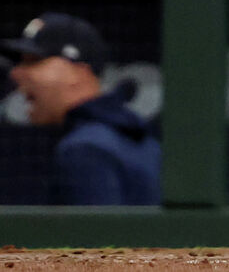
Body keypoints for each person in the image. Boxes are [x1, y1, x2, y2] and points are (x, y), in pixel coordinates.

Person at [0, 13, 160, 205]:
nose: (16, 73)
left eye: (33, 61)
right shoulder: (136, 139)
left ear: (77, 72)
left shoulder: (86, 149)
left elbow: (98, 236)